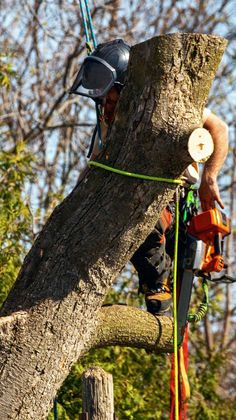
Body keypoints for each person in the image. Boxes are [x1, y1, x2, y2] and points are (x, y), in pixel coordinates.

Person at [69, 39, 229, 315]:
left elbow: (219, 128)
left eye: (110, 97)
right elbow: (94, 168)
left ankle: (163, 284)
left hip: (176, 202)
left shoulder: (163, 102)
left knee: (134, 206)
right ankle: (156, 282)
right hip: (139, 208)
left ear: (125, 88)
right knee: (115, 204)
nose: (105, 105)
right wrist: (74, 204)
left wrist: (209, 177)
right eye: (102, 99)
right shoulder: (108, 124)